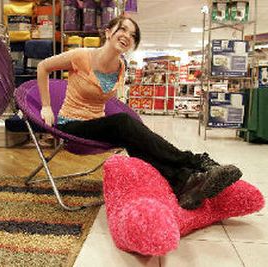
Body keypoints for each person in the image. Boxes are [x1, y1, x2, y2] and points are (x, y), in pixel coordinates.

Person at [36, 15, 242, 210]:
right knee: (123, 123)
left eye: (133, 35)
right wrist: (46, 106)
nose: (127, 36)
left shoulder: (121, 67)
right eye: (123, 29)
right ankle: (197, 162)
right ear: (108, 33)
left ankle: (183, 182)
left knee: (133, 138)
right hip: (72, 125)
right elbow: (43, 67)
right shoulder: (81, 56)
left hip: (96, 126)